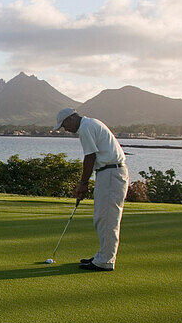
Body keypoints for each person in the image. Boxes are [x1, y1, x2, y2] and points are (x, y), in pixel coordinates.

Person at [53, 108, 129, 271]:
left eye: (64, 125)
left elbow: (90, 157)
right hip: (107, 172)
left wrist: (83, 183)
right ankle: (103, 255)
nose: (65, 129)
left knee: (107, 218)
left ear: (72, 118)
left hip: (111, 172)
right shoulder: (90, 123)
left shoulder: (86, 127)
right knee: (102, 217)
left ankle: (106, 260)